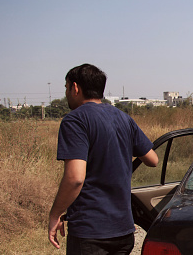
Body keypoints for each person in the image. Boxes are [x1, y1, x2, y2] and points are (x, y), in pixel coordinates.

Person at [48, 64, 158, 254]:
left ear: (75, 87)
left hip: (91, 233)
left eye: (66, 88)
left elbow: (75, 178)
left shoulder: (75, 121)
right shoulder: (124, 118)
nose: (66, 93)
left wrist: (55, 214)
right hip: (123, 231)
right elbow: (153, 159)